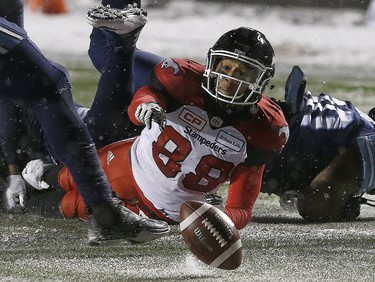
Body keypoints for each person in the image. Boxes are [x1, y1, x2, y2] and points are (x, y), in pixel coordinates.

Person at [21, 4, 289, 230]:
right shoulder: (186, 81)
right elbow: (146, 97)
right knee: (68, 176)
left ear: (261, 81)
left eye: (242, 73)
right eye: (227, 67)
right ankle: (37, 173)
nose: (230, 79)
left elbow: (240, 209)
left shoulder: (264, 131)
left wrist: (220, 221)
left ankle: (22, 195)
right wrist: (147, 105)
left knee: (70, 206)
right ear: (212, 64)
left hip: (164, 213)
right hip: (126, 162)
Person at [0, 0, 170, 244]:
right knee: (91, 61)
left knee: (78, 70)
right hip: (102, 146)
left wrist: (14, 169)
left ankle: (107, 215)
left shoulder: (16, 138)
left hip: (96, 136)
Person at [261, 65, 375, 221]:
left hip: (265, 120)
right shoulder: (368, 148)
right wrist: (344, 209)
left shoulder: (361, 125)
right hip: (263, 139)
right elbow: (314, 205)